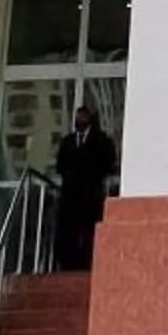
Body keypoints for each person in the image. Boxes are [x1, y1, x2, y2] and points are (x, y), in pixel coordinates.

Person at [51, 100, 117, 270]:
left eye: (83, 116)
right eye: (77, 117)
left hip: (91, 194)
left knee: (90, 231)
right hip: (70, 195)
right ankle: (68, 264)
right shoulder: (68, 142)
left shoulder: (100, 140)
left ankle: (88, 263)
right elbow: (60, 165)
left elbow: (108, 163)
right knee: (69, 231)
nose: (79, 119)